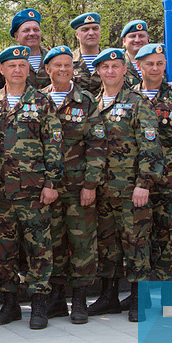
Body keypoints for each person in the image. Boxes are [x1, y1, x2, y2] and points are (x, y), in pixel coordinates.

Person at [0, 45, 63, 329]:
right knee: (5, 250)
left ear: (29, 70)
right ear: (2, 70)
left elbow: (53, 144)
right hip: (1, 191)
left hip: (34, 191)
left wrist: (51, 183)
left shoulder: (42, 102)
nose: (17, 70)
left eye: (22, 65)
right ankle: (9, 303)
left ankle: (39, 303)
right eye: (11, 65)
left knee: (38, 247)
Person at [87, 48, 164, 322]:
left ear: (124, 69)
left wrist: (144, 183)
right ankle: (108, 296)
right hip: (103, 189)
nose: (110, 71)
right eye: (105, 67)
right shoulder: (92, 103)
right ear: (98, 71)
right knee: (108, 245)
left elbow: (151, 147)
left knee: (136, 243)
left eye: (115, 66)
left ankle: (138, 297)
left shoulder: (137, 102)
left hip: (132, 190)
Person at [41, 45, 105, 324]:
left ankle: (79, 300)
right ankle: (56, 298)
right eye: (57, 65)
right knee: (53, 242)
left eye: (68, 65)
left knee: (82, 243)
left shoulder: (86, 100)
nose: (64, 69)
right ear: (47, 70)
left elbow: (97, 144)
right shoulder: (36, 100)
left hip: (79, 186)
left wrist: (90, 184)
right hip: (47, 187)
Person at [132, 42, 172, 305]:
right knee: (138, 239)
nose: (155, 68)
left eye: (160, 63)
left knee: (170, 238)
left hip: (169, 183)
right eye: (150, 63)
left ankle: (169, 297)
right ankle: (142, 296)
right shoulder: (128, 98)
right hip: (136, 183)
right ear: (139, 67)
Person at [0, 9, 50, 91]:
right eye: (26, 30)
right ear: (16, 36)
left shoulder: (52, 59)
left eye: (36, 30)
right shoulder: (5, 61)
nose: (32, 33)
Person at [69, 12, 102, 95]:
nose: (91, 33)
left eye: (95, 28)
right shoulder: (68, 61)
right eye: (85, 30)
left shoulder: (109, 59)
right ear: (77, 34)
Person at [120, 20, 149, 89]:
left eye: (141, 36)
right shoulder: (117, 64)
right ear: (124, 41)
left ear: (148, 38)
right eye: (132, 36)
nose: (137, 40)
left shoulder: (158, 62)